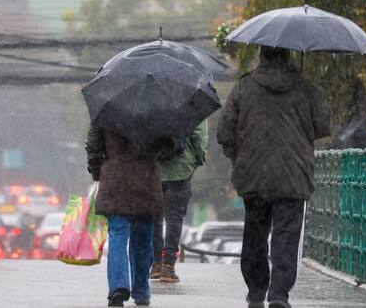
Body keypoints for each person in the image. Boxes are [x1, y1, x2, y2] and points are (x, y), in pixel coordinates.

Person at [217, 46, 330, 308]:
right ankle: (279, 293)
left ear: (262, 56)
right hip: (294, 175)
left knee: (255, 233)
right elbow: (322, 126)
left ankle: (256, 290)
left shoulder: (244, 87)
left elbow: (224, 132)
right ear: (289, 56)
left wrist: (239, 157)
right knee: (287, 235)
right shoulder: (306, 89)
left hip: (254, 175)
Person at [86, 125, 165, 307]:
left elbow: (93, 146)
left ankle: (118, 288)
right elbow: (168, 148)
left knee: (118, 235)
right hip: (145, 183)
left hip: (115, 183)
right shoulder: (155, 114)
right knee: (143, 240)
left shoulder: (105, 114)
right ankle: (141, 290)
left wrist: (97, 171)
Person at [150, 121, 207, 283]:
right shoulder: (194, 108)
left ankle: (156, 263)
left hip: (155, 169)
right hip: (181, 169)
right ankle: (168, 265)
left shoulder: (153, 107)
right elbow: (199, 137)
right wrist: (198, 158)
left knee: (155, 218)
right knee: (174, 218)